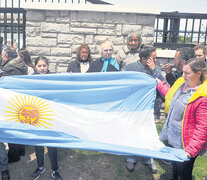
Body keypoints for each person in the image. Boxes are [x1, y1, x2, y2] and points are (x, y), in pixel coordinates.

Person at [157, 58, 207, 180]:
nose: (183, 75)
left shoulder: (202, 97)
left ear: (199, 73)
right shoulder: (181, 84)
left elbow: (203, 128)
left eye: (187, 73)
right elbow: (170, 95)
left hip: (186, 145)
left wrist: (190, 151)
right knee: (175, 169)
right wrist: (158, 83)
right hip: (172, 139)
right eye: (183, 72)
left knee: (183, 174)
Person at [124, 45, 166, 174]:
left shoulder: (156, 69)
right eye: (153, 58)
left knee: (147, 133)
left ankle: (148, 159)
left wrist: (154, 70)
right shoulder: (130, 68)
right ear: (144, 58)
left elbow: (164, 85)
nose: (156, 60)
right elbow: (122, 85)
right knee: (132, 133)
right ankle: (131, 158)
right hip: (133, 108)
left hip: (149, 109)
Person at [31, 56, 62, 180]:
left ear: (48, 66)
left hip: (50, 116)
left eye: (44, 65)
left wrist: (70, 77)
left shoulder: (54, 79)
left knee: (51, 144)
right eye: (39, 66)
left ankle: (54, 169)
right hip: (36, 117)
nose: (42, 68)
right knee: (38, 144)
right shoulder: (29, 80)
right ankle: (40, 167)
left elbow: (65, 87)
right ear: (35, 67)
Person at [1, 45, 28, 163]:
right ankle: (21, 149)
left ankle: (14, 154)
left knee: (12, 128)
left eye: (2, 55)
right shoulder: (21, 65)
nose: (1, 57)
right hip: (21, 101)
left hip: (11, 102)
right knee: (20, 125)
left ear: (6, 56)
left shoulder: (8, 68)